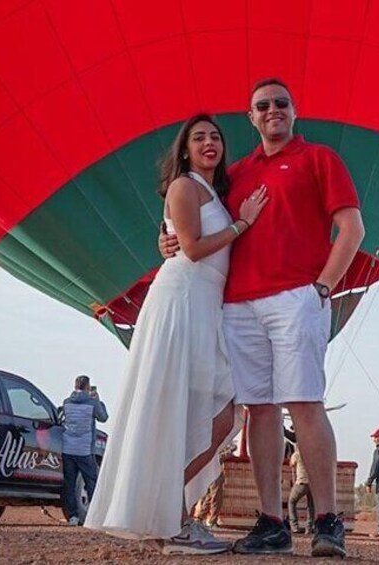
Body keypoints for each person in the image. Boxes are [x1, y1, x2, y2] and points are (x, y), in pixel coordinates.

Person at [161, 78, 365, 557]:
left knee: (305, 402)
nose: (271, 110)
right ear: (250, 117)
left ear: (294, 111)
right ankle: (272, 521)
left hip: (296, 295)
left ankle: (327, 520)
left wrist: (323, 286)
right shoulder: (235, 175)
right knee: (259, 408)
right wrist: (167, 241)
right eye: (261, 106)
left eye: (280, 103)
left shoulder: (319, 159)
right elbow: (194, 218)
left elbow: (352, 227)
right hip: (238, 305)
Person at [84, 114, 267, 556]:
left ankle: (165, 509)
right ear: (184, 149)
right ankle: (174, 520)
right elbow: (191, 247)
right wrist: (243, 224)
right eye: (198, 137)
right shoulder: (185, 185)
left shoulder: (209, 191)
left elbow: (180, 236)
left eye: (215, 137)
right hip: (183, 299)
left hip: (205, 303)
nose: (209, 142)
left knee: (217, 412)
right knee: (193, 408)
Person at [62, 375, 109, 526]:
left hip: (68, 449)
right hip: (84, 450)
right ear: (88, 387)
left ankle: (73, 517)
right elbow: (103, 417)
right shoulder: (92, 403)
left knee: (70, 483)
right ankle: (94, 516)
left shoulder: (66, 402)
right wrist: (98, 400)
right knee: (91, 482)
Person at [288, 447, 315, 534]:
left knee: (292, 501)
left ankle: (294, 526)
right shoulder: (313, 453)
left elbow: (291, 464)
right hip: (312, 483)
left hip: (301, 482)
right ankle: (309, 528)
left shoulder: (297, 454)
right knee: (311, 506)